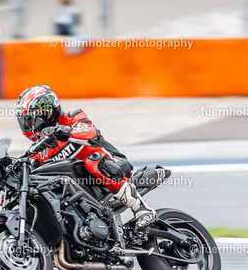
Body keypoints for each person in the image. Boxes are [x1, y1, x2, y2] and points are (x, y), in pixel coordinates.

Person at [15, 85, 156, 230]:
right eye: (25, 121)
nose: (28, 125)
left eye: (31, 120)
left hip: (112, 164)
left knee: (93, 161)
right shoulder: (40, 149)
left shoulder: (71, 117)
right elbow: (29, 169)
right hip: (84, 185)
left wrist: (64, 132)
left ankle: (141, 208)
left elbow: (90, 133)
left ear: (46, 113)